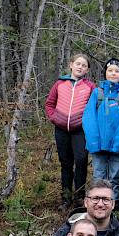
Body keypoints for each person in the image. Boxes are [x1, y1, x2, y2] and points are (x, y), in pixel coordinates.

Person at [45, 54, 95, 210]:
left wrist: (86, 123)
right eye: (77, 64)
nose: (80, 67)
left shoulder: (90, 87)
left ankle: (79, 196)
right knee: (65, 164)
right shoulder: (60, 83)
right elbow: (49, 103)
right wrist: (55, 118)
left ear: (87, 70)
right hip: (61, 130)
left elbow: (94, 108)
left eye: (84, 65)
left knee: (81, 161)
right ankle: (66, 198)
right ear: (71, 65)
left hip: (80, 131)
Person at [84, 58, 119, 201]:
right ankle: (95, 202)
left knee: (115, 176)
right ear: (105, 73)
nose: (113, 74)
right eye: (110, 70)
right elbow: (89, 118)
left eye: (117, 71)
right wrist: (94, 142)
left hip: (118, 146)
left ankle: (113, 204)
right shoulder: (97, 93)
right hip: (98, 145)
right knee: (98, 175)